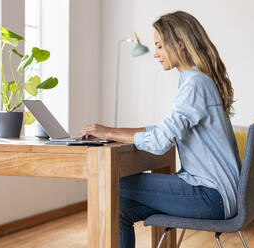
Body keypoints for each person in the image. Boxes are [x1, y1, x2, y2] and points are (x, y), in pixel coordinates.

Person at [79, 11, 241, 248]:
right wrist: (111, 130)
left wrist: (110, 134)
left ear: (180, 45)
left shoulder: (195, 84)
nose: (155, 54)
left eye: (159, 46)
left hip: (211, 196)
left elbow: (160, 141)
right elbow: (163, 130)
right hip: (220, 195)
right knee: (120, 206)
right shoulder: (196, 80)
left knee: (112, 184)